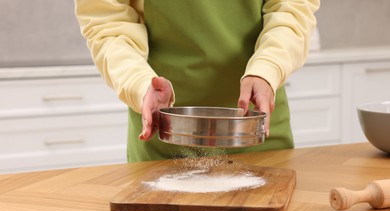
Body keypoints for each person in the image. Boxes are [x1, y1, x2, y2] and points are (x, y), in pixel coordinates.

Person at [75, 0, 320, 162]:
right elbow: (107, 26)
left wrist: (267, 68)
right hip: (163, 132)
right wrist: (139, 83)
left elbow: (292, 9)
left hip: (258, 130)